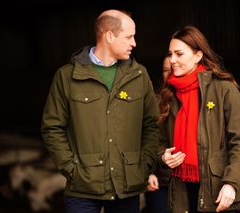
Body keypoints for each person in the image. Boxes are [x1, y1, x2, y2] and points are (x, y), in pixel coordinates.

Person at [41, 9, 159, 213]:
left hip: (127, 187)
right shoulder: (67, 76)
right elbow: (52, 127)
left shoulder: (139, 75)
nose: (134, 43)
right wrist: (72, 170)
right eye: (129, 37)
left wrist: (144, 165)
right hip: (82, 190)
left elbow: (151, 124)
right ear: (110, 35)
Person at [158, 25, 240, 213]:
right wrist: (163, 156)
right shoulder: (169, 95)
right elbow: (159, 141)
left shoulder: (224, 88)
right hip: (181, 192)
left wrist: (231, 183)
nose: (172, 60)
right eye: (170, 54)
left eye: (179, 54)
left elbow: (239, 142)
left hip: (219, 191)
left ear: (198, 56)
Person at [143, 57, 172, 213]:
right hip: (160, 181)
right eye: (166, 70)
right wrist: (147, 173)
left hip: (192, 181)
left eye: (173, 68)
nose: (170, 73)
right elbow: (143, 139)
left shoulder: (199, 99)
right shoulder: (154, 102)